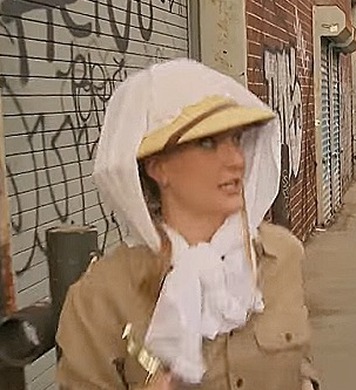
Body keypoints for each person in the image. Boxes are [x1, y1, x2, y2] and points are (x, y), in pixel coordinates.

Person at [56, 59, 319, 390]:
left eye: (236, 140)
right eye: (208, 143)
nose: (236, 160)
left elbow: (300, 362)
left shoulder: (281, 255)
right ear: (158, 169)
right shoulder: (102, 297)